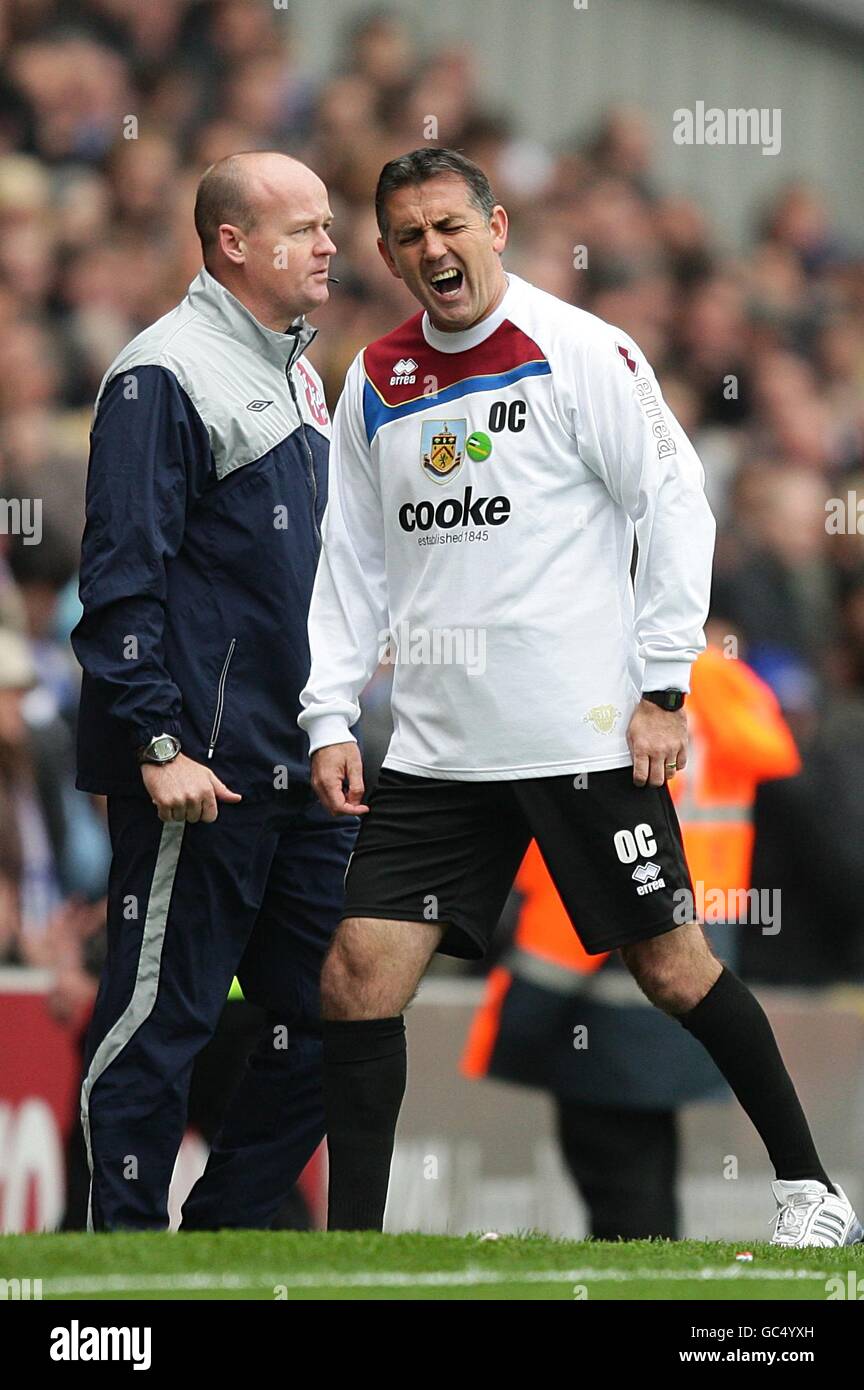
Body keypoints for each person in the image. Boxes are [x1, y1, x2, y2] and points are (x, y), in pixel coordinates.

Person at [299, 147, 861, 1247]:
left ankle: (810, 1188)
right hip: (438, 751)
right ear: (386, 253)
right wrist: (327, 712)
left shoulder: (582, 351)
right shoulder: (374, 378)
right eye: (410, 235)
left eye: (452, 225)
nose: (435, 250)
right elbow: (348, 562)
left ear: (496, 225)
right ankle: (352, 1251)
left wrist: (662, 686)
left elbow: (677, 505)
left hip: (581, 737)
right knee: (358, 972)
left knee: (671, 965)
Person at [71, 151, 356, 1231]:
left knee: (348, 1004)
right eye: (305, 227)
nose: (331, 244)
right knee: (156, 1026)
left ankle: (228, 1234)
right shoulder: (164, 373)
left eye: (330, 224)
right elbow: (119, 578)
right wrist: (155, 744)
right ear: (233, 243)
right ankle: (122, 1266)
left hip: (300, 763)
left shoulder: (299, 370)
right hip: (203, 771)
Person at [461, 636, 803, 1240]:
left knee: (619, 1189)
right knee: (648, 1174)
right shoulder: (717, 686)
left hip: (605, 979)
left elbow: (584, 872)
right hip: (700, 962)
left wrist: (512, 1019)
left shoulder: (601, 680)